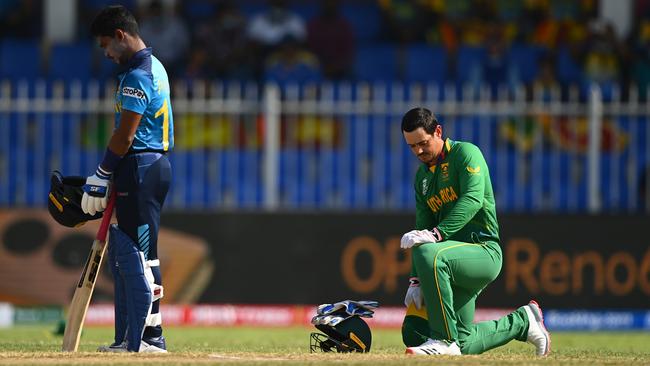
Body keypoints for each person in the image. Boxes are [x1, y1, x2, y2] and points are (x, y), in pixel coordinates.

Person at [398, 107, 550, 356]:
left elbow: (472, 199)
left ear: (438, 131)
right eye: (412, 147)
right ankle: (524, 321)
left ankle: (443, 341)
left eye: (423, 143)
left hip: (483, 252)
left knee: (428, 254)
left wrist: (436, 235)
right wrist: (415, 280)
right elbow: (421, 229)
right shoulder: (422, 179)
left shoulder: (466, 154)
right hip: (449, 261)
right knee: (421, 333)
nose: (418, 151)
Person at [83, 5, 173, 353]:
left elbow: (125, 135)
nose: (104, 53)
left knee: (142, 255)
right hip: (143, 166)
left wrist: (103, 172)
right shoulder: (151, 67)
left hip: (141, 166)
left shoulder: (139, 76)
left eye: (106, 44)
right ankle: (132, 336)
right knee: (133, 254)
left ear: (121, 36)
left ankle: (150, 337)